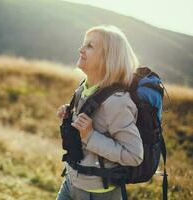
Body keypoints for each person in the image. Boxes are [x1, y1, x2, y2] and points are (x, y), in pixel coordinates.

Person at [56, 25, 144, 200]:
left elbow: (134, 155)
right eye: (84, 44)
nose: (80, 49)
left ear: (107, 58)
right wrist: (70, 113)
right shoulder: (85, 88)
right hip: (71, 183)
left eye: (90, 46)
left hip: (98, 195)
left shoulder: (118, 102)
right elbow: (96, 118)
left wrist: (90, 136)